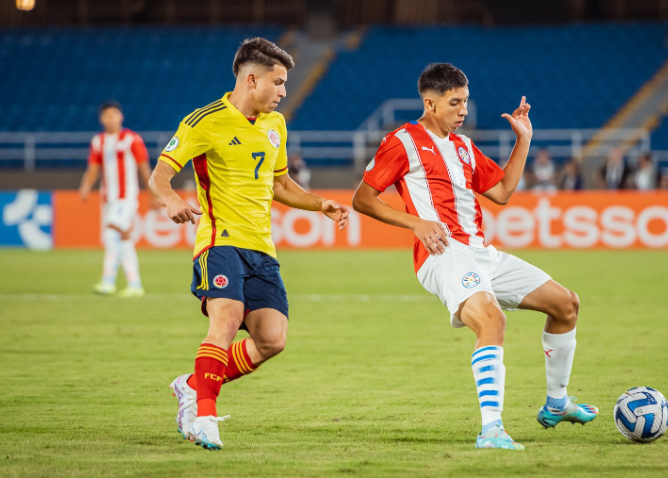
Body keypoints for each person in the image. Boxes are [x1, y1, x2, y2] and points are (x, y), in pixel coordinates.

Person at [352, 63, 597, 451]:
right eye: (455, 102)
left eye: (465, 101)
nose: (463, 110)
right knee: (491, 319)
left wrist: (523, 141)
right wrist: (416, 223)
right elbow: (362, 199)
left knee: (566, 304)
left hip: (481, 253)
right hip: (441, 254)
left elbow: (501, 193)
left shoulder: (464, 146)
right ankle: (491, 430)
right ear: (430, 103)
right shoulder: (402, 142)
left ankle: (556, 403)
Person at [148, 37, 349, 451]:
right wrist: (171, 200)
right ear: (251, 78)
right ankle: (204, 417)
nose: (283, 92)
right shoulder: (203, 121)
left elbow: (279, 184)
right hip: (219, 241)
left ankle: (191, 385)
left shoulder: (275, 125)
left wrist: (319, 204)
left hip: (262, 251)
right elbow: (159, 176)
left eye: (286, 84)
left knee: (272, 340)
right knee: (225, 319)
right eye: (277, 83)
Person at [79, 101, 151, 297]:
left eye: (114, 114)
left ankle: (108, 281)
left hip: (126, 197)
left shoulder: (131, 139)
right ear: (102, 118)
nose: (110, 118)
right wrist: (86, 186)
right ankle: (135, 285)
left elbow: (144, 167)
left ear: (121, 116)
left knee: (111, 233)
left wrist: (153, 193)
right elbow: (93, 167)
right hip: (109, 199)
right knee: (124, 239)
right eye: (106, 115)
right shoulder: (98, 141)